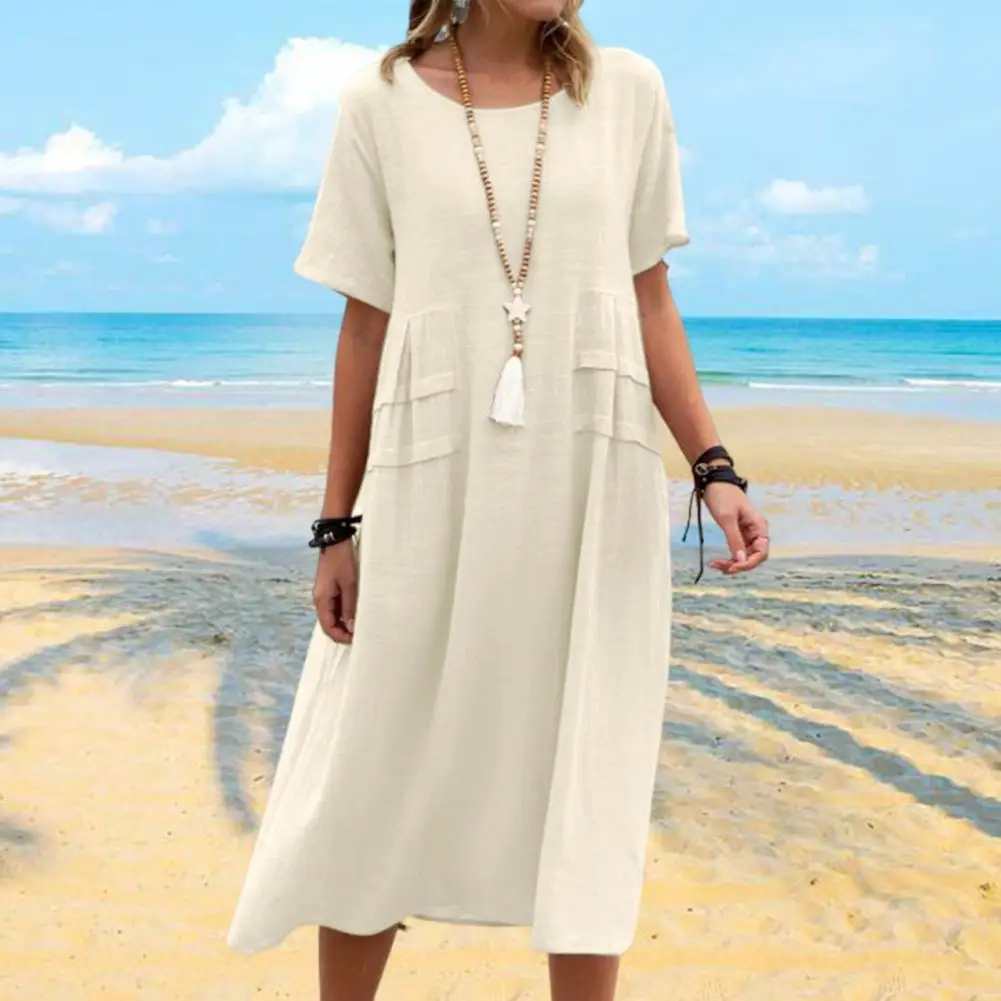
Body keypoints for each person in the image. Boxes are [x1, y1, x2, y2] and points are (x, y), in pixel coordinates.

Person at [227, 1, 770, 998]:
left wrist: (714, 466)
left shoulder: (626, 91)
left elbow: (648, 294)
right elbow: (364, 323)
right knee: (375, 760)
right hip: (428, 480)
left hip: (590, 479)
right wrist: (336, 523)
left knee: (586, 759)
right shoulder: (379, 101)